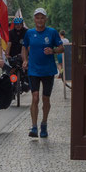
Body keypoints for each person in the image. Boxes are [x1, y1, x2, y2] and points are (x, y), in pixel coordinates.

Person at [22, 8, 64, 138]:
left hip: (48, 70)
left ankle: (44, 124)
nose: (39, 20)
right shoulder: (29, 33)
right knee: (35, 98)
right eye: (37, 17)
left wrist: (53, 51)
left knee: (46, 99)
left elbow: (62, 48)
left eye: (42, 17)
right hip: (33, 69)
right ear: (34, 19)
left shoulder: (51, 32)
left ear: (45, 19)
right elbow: (24, 47)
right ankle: (34, 127)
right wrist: (25, 60)